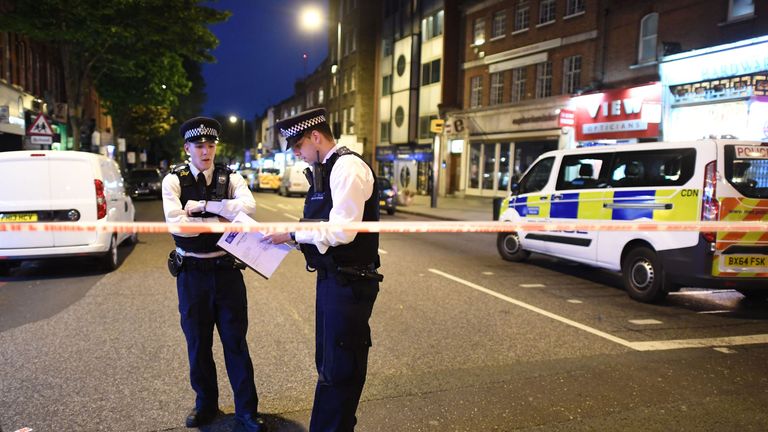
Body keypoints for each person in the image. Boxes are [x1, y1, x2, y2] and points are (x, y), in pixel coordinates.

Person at [262, 108, 382, 431]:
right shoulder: (326, 169)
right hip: (334, 279)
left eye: (298, 145)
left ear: (315, 136)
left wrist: (292, 233)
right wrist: (291, 238)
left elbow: (342, 231)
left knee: (340, 367)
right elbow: (320, 227)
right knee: (330, 363)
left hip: (350, 281)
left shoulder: (347, 167)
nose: (296, 153)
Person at [161, 116, 266, 432]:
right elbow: (178, 226)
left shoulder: (229, 176)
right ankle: (206, 405)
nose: (206, 151)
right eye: (199, 146)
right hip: (192, 274)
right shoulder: (174, 181)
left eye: (210, 145)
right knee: (198, 345)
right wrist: (224, 218)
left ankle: (246, 412)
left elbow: (249, 207)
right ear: (187, 148)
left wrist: (205, 207)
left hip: (226, 272)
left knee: (236, 343)